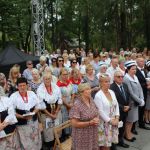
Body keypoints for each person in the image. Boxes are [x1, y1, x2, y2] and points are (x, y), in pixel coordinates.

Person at [10, 77, 42, 150]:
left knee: (36, 140)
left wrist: (33, 113)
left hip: (34, 122)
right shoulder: (13, 97)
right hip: (22, 125)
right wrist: (21, 116)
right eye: (20, 86)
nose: (22, 87)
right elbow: (12, 112)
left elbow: (38, 106)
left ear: (27, 85)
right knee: (26, 143)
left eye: (24, 85)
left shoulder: (32, 93)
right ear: (17, 86)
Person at [69, 83, 99, 150]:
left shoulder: (90, 99)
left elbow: (96, 111)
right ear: (81, 92)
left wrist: (96, 118)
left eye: (90, 89)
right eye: (87, 89)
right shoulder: (77, 104)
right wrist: (90, 123)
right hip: (81, 134)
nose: (90, 90)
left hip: (92, 132)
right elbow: (74, 123)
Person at [94, 73, 120, 150]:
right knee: (105, 146)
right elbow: (100, 111)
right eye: (106, 81)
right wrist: (110, 121)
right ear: (100, 83)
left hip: (114, 121)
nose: (108, 83)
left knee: (109, 144)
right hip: (104, 124)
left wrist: (117, 117)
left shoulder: (112, 92)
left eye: (109, 81)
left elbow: (116, 105)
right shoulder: (98, 95)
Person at [37, 72, 62, 149]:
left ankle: (57, 144)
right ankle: (50, 146)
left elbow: (60, 100)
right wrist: (51, 115)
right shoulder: (40, 89)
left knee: (57, 128)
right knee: (49, 130)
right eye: (45, 79)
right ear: (43, 79)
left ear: (51, 78)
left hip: (57, 113)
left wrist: (56, 112)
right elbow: (41, 105)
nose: (47, 80)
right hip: (46, 114)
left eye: (49, 78)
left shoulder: (55, 86)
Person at [123, 60, 145, 142]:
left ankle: (128, 133)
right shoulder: (126, 78)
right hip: (131, 102)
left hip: (136, 101)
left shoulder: (135, 77)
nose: (134, 71)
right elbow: (131, 93)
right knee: (129, 120)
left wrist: (142, 99)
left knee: (132, 120)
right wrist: (140, 101)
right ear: (128, 69)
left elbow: (140, 88)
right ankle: (127, 135)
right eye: (132, 69)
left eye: (135, 69)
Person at [110, 71, 130, 148]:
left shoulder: (125, 85)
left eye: (122, 76)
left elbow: (129, 97)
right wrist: (122, 107)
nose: (121, 78)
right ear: (114, 78)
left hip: (126, 111)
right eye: (119, 77)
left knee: (122, 127)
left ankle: (120, 141)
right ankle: (113, 144)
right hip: (116, 112)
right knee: (115, 129)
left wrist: (128, 106)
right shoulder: (112, 87)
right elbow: (113, 101)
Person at [57, 68, 74, 136]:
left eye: (66, 74)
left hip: (70, 102)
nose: (65, 76)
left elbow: (73, 93)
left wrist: (72, 102)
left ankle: (72, 132)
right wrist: (67, 105)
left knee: (72, 117)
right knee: (65, 117)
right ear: (60, 75)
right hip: (64, 104)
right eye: (64, 74)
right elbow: (60, 96)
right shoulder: (58, 84)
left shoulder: (69, 82)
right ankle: (67, 134)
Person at [136, 57, 150, 130]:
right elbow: (136, 83)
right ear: (137, 62)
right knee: (138, 108)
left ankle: (142, 123)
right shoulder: (135, 70)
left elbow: (144, 80)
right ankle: (137, 124)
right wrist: (146, 84)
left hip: (144, 91)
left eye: (143, 61)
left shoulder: (144, 70)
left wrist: (147, 83)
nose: (143, 62)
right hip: (138, 92)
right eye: (141, 61)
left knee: (143, 107)